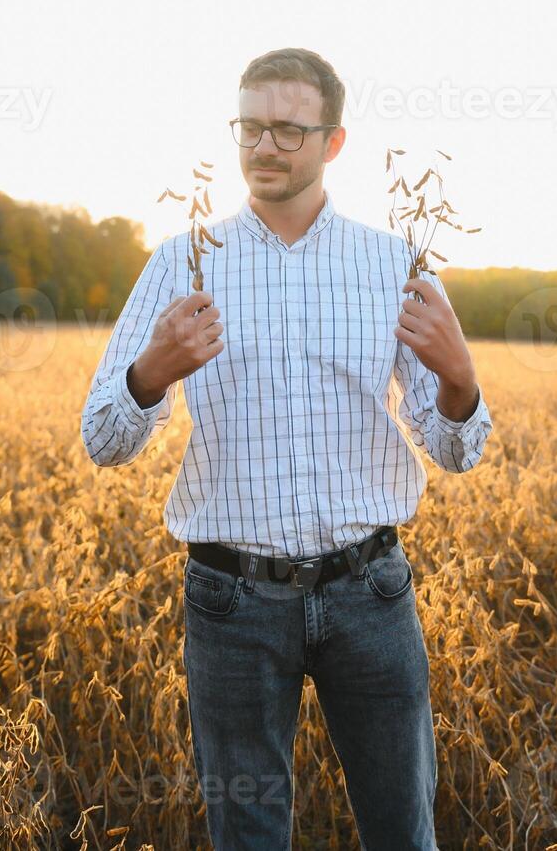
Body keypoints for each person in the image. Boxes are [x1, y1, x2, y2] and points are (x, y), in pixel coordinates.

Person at [81, 47, 494, 849]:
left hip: (371, 593)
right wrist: (149, 373)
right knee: (248, 836)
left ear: (331, 141)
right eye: (249, 127)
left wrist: (459, 377)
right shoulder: (183, 263)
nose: (263, 147)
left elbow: (455, 449)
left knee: (403, 831)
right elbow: (103, 438)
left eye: (286, 131)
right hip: (231, 603)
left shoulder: (394, 265)